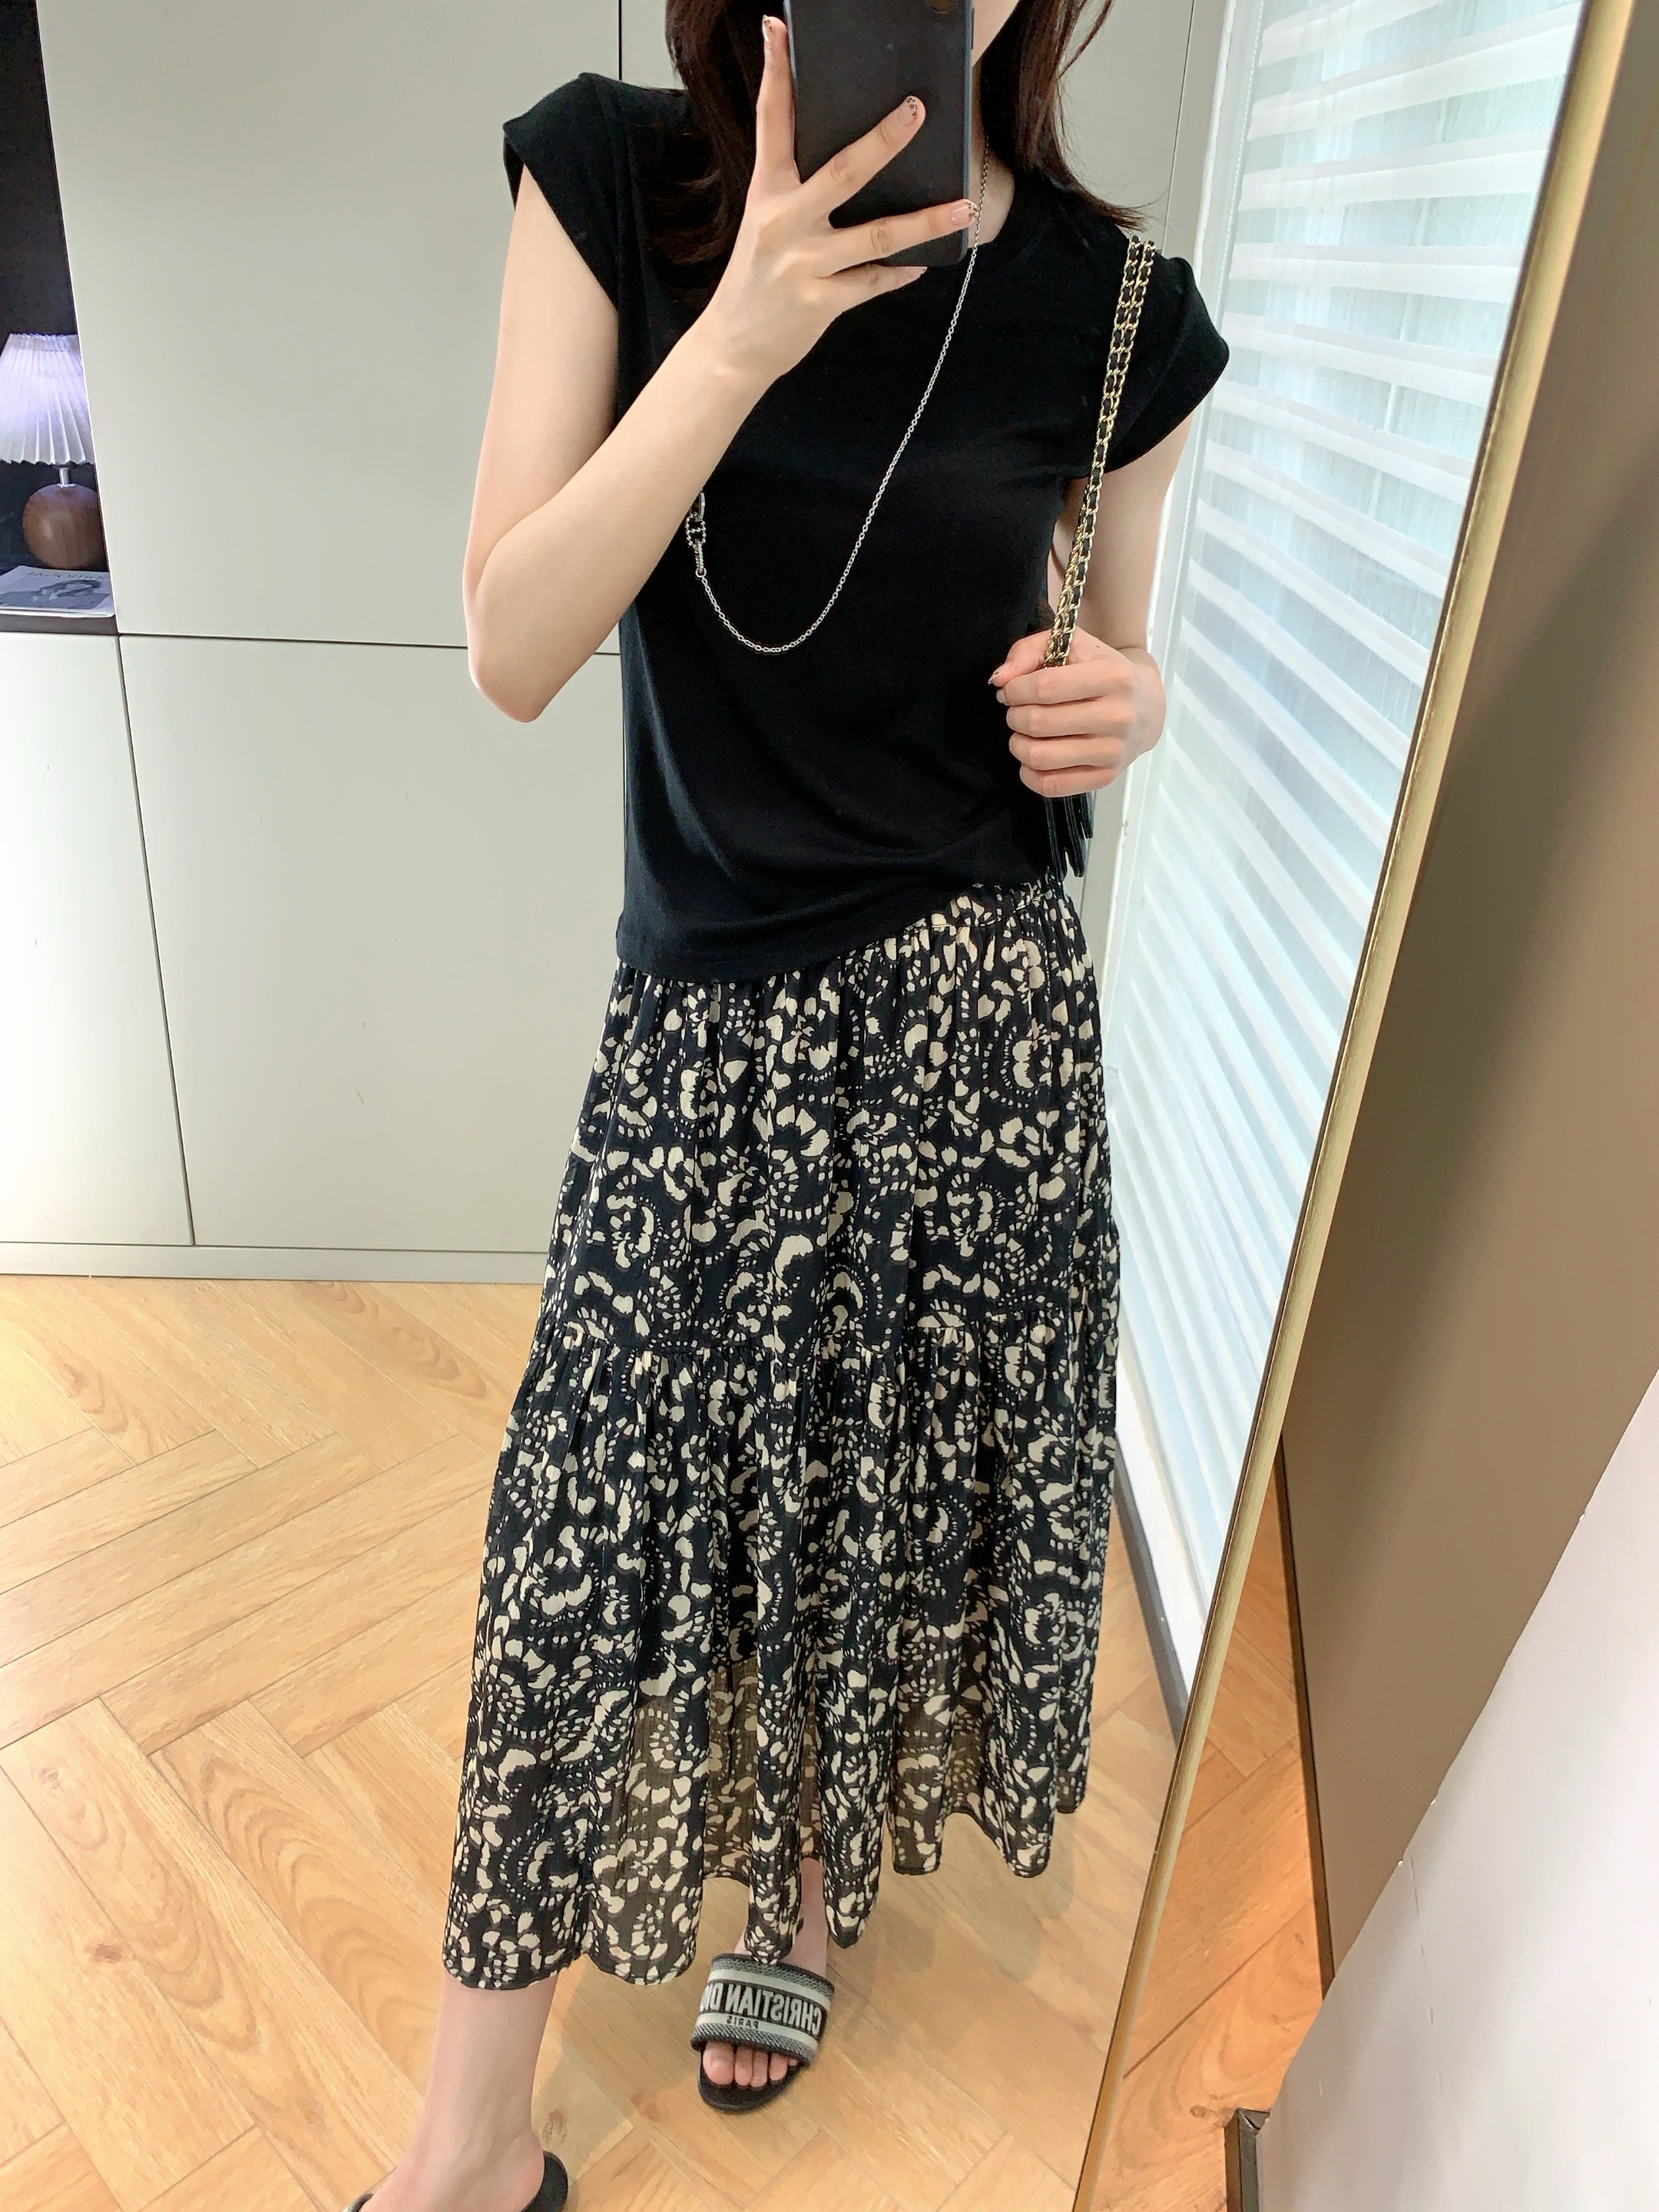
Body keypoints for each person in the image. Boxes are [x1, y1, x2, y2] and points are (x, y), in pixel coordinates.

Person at [344, 5, 1225, 2207]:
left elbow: (1115, 660)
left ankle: (809, 1890)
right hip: (706, 1025)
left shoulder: (1118, 308)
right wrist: (735, 331)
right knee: (582, 1557)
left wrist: (1123, 705)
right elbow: (513, 642)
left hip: (974, 1030)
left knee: (869, 1501)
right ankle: (467, 2152)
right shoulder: (617, 183)